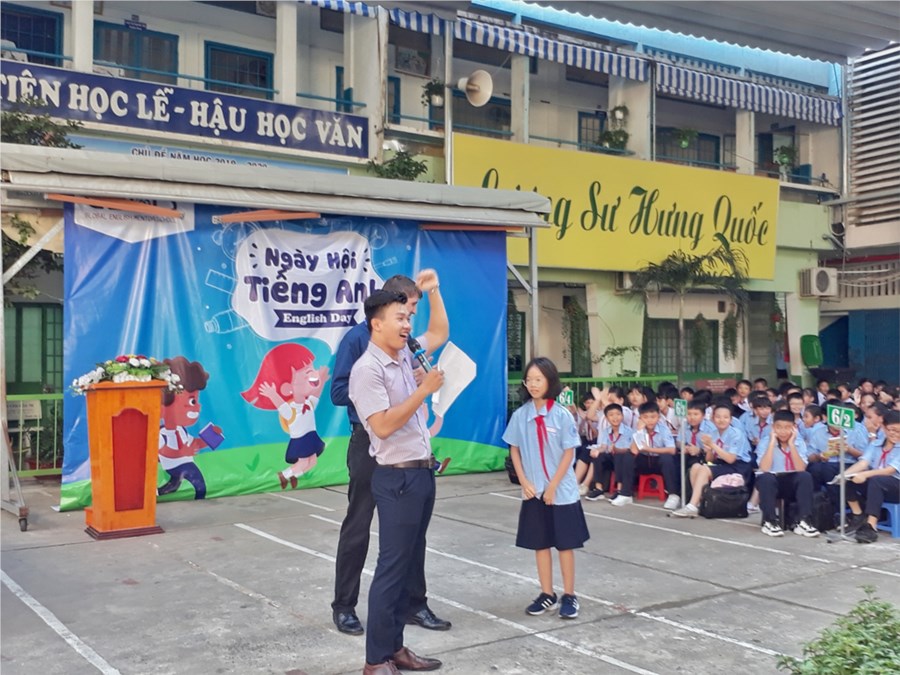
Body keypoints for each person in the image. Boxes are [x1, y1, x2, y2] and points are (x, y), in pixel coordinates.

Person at [330, 272, 450, 637]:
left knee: (411, 532)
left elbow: (439, 333)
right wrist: (383, 393)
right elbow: (339, 391)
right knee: (359, 525)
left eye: (411, 314)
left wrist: (435, 291)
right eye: (406, 311)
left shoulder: (404, 346)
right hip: (369, 444)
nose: (410, 321)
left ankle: (414, 603)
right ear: (385, 312)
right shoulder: (359, 342)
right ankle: (344, 606)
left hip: (407, 450)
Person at [503, 357, 589, 620]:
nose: (533, 384)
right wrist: (524, 481)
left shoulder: (561, 415)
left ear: (550, 381)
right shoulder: (521, 415)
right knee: (540, 543)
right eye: (529, 380)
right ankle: (547, 593)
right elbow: (514, 449)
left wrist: (552, 486)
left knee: (565, 544)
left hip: (560, 492)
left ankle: (569, 595)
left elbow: (568, 453)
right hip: (533, 491)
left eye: (538, 379)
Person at [242, 343, 330, 488]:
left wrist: (322, 381)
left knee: (313, 461)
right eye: (307, 373)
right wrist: (272, 394)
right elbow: (281, 405)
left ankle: (292, 475)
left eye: (312, 370)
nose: (313, 376)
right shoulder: (292, 410)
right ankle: (284, 475)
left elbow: (316, 394)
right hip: (301, 440)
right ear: (288, 387)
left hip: (311, 436)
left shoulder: (308, 404)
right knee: (303, 462)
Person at [671, 403, 752, 518]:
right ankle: (700, 503)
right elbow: (710, 459)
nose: (721, 420)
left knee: (704, 470)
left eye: (725, 417)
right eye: (718, 417)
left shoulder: (736, 434)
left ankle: (692, 505)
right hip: (721, 463)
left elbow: (730, 459)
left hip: (738, 466)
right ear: (713, 419)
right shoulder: (713, 434)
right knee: (695, 467)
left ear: (731, 419)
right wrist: (709, 450)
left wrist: (712, 445)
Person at [158, 356, 220, 500]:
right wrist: (181, 451)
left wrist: (210, 438)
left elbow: (194, 443)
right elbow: (161, 452)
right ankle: (200, 497)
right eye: (192, 401)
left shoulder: (181, 430)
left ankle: (158, 492)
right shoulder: (163, 433)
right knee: (199, 485)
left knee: (174, 485)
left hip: (185, 461)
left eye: (196, 401)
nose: (197, 406)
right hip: (178, 464)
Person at [755, 410, 820, 538]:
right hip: (771, 483)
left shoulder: (798, 442)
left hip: (791, 483)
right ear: (773, 428)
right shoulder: (765, 442)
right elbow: (764, 468)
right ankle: (770, 521)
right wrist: (772, 444)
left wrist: (791, 445)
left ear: (794, 428)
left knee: (805, 476)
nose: (783, 431)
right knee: (765, 478)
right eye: (779, 427)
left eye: (787, 427)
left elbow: (801, 468)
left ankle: (804, 521)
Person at [841, 410, 900, 544]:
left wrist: (864, 474)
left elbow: (890, 470)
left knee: (876, 480)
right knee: (849, 478)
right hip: (877, 483)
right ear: (884, 427)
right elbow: (863, 462)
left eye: (899, 431)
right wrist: (844, 475)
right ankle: (857, 515)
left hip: (896, 485)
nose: (895, 434)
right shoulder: (876, 444)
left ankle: (871, 526)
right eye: (892, 430)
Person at [611, 401, 679, 508]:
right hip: (643, 461)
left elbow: (672, 450)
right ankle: (626, 494)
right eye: (646, 417)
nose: (650, 420)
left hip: (658, 462)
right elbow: (633, 450)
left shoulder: (663, 429)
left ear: (658, 417)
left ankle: (673, 495)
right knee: (627, 456)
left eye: (653, 417)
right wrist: (639, 431)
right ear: (640, 418)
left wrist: (650, 449)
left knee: (667, 458)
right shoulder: (638, 429)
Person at [585, 402, 634, 501]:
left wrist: (616, 449)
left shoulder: (629, 431)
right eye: (611, 415)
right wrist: (597, 450)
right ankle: (598, 489)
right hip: (610, 457)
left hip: (623, 458)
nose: (615, 417)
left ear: (622, 416)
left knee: (620, 456)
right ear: (607, 418)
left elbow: (629, 449)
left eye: (618, 414)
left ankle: (619, 489)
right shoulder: (606, 431)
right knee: (598, 456)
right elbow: (604, 447)